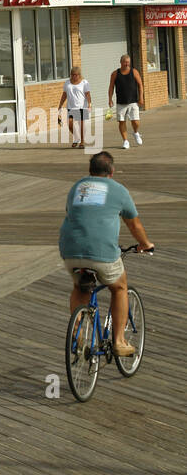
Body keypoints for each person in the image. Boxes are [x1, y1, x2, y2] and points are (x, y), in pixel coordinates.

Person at [59, 151, 153, 357]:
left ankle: (76, 335)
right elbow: (134, 224)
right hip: (100, 252)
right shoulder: (119, 190)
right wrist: (145, 244)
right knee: (119, 287)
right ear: (111, 171)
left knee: (80, 285)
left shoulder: (77, 187)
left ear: (90, 171)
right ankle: (119, 341)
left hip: (70, 251)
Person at [108, 54, 144, 148]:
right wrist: (110, 99)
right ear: (121, 62)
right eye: (125, 62)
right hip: (121, 102)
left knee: (135, 121)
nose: (127, 64)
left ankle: (136, 133)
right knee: (121, 121)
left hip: (133, 101)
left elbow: (140, 85)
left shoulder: (134, 72)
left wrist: (141, 98)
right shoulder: (115, 73)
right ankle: (125, 141)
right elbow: (111, 87)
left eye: (128, 62)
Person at [59, 66, 91, 148]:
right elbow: (64, 94)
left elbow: (87, 94)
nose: (74, 76)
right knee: (70, 124)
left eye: (76, 75)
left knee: (82, 125)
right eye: (73, 74)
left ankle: (82, 142)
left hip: (81, 106)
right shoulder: (67, 83)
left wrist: (89, 104)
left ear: (79, 75)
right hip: (71, 107)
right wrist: (60, 104)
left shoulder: (84, 82)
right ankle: (77, 138)